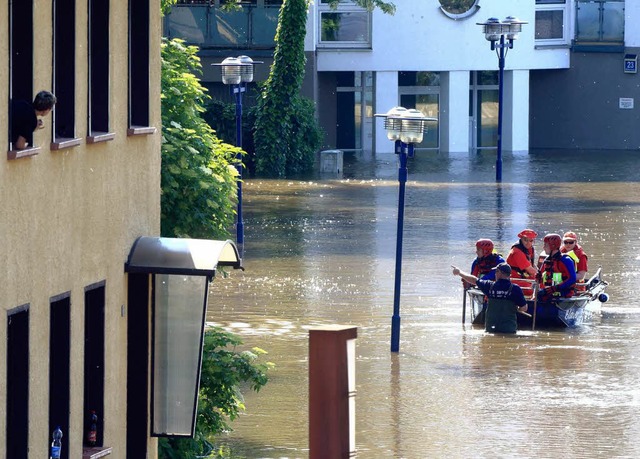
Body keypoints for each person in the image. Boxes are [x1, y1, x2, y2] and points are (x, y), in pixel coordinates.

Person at [453, 262, 528, 333]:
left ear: (500, 273)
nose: (495, 274)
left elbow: (474, 280)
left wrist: (460, 272)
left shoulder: (490, 286)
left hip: (491, 328)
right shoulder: (515, 289)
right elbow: (524, 308)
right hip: (508, 329)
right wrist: (517, 309)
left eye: (496, 272)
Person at [538, 233, 577, 301]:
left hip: (563, 294)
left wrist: (556, 288)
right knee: (540, 295)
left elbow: (572, 279)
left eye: (545, 245)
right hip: (550, 293)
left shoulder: (566, 260)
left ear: (552, 246)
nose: (543, 247)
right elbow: (540, 275)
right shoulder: (547, 260)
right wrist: (538, 277)